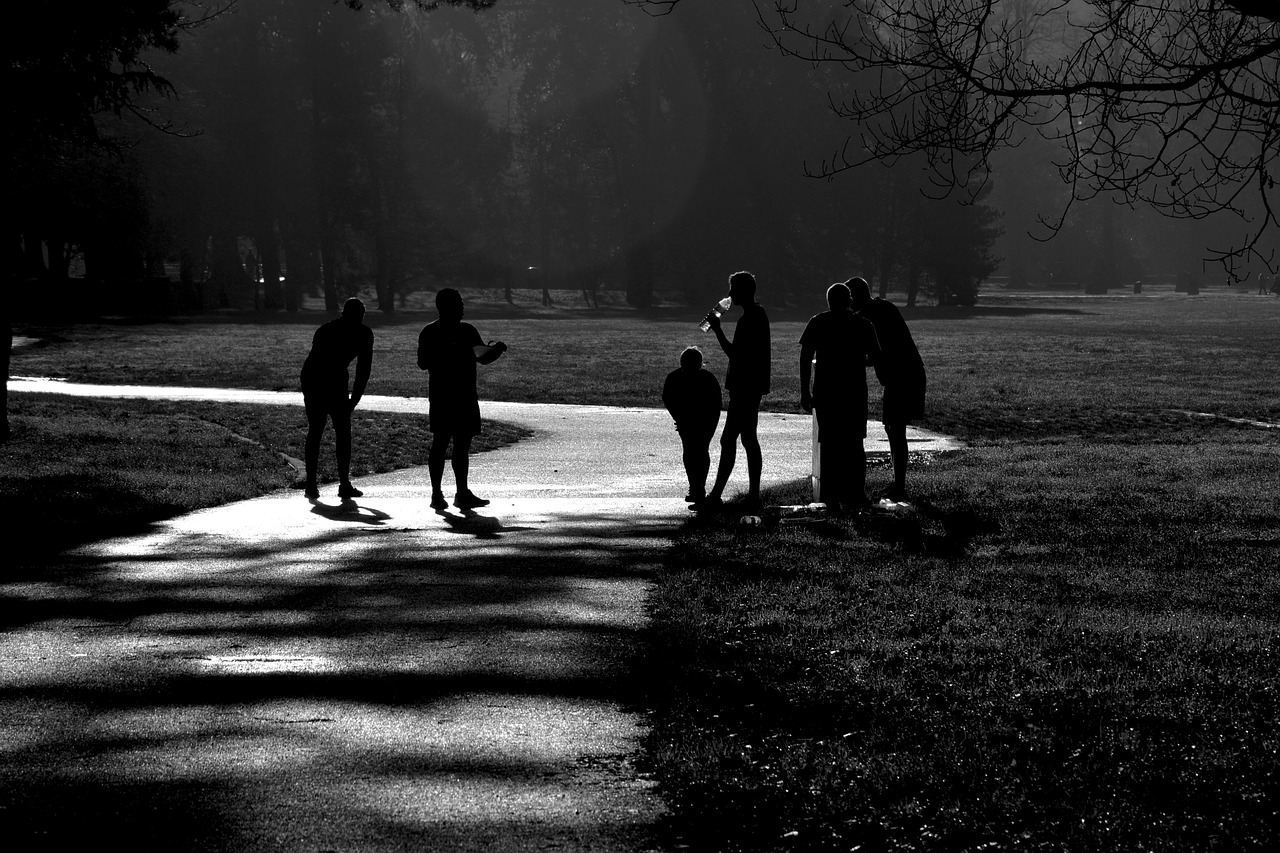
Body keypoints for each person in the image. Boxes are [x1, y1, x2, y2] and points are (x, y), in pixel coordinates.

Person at [417, 288, 507, 510]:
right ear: (449, 306)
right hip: (460, 394)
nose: (463, 307)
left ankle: (440, 494)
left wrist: (494, 350)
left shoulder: (430, 331)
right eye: (459, 303)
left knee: (444, 443)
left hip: (443, 394)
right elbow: (483, 358)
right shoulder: (465, 331)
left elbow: (423, 362)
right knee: (456, 445)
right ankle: (458, 493)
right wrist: (496, 349)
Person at [799, 282, 881, 513]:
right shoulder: (863, 324)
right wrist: (857, 361)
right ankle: (855, 492)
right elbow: (876, 357)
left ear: (829, 301)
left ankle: (829, 495)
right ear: (850, 300)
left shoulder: (818, 322)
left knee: (830, 444)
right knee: (855, 444)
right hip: (854, 392)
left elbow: (805, 356)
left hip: (826, 391)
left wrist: (805, 390)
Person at [848, 276, 926, 501]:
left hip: (902, 376)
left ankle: (899, 485)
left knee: (895, 428)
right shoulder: (882, 308)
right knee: (893, 429)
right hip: (904, 374)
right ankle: (898, 483)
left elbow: (878, 352)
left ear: (855, 298)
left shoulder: (872, 315)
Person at [700, 271, 771, 512]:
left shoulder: (750, 319)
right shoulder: (756, 314)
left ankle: (719, 496)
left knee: (731, 439)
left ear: (743, 291)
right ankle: (751, 495)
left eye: (733, 289)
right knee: (747, 438)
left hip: (745, 386)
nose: (729, 294)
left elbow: (735, 354)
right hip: (750, 385)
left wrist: (717, 329)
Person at [300, 297, 374, 500]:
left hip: (320, 377)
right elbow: (362, 370)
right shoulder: (361, 333)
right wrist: (352, 401)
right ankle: (333, 484)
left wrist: (353, 400)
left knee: (324, 430)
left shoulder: (328, 329)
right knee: (331, 430)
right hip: (323, 378)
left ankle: (318, 485)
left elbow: (362, 370)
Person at [662, 346, 723, 505]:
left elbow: (668, 400)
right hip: (691, 419)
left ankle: (697, 486)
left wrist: (680, 418)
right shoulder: (708, 378)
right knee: (697, 450)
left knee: (693, 450)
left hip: (700, 419)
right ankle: (697, 486)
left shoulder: (675, 378)